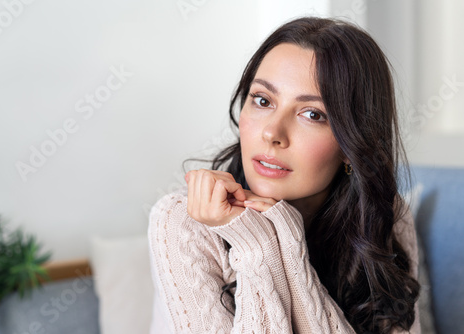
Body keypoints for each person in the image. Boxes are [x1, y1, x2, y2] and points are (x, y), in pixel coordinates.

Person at [148, 17, 420, 333]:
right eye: (263, 100)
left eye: (313, 114)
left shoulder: (386, 215)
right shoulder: (182, 222)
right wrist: (257, 246)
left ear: (352, 144)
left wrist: (287, 250)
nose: (272, 133)